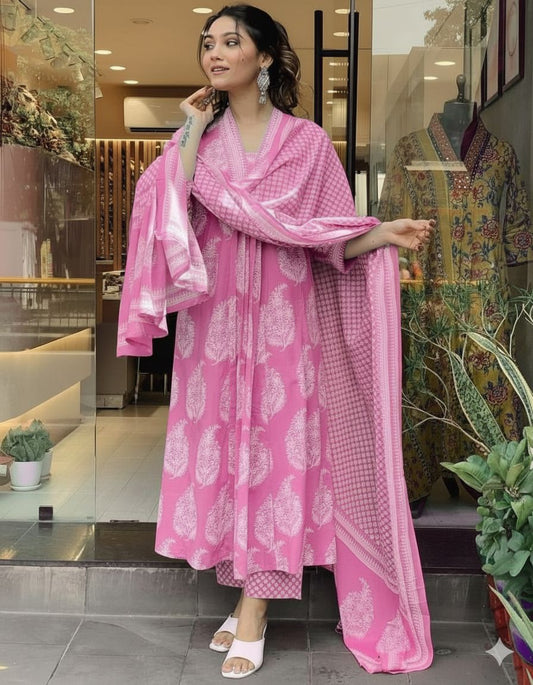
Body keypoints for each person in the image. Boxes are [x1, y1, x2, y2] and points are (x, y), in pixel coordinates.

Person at [117, 4, 434, 679]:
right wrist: (190, 127)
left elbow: (326, 234)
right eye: (207, 42)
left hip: (286, 331)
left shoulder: (308, 145)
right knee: (229, 457)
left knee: (276, 461)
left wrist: (380, 233)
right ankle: (244, 596)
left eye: (230, 42)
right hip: (214, 330)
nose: (214, 52)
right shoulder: (201, 142)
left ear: (263, 58)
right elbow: (165, 205)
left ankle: (256, 611)